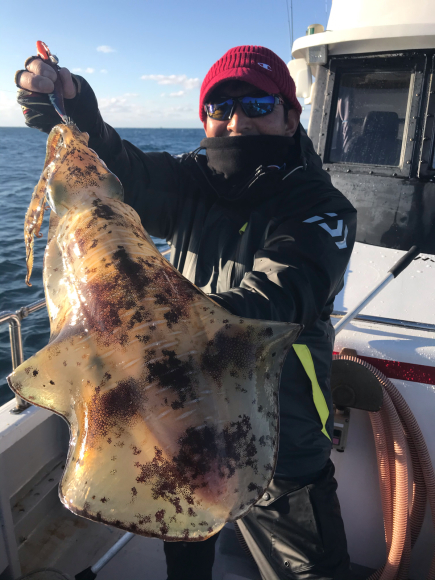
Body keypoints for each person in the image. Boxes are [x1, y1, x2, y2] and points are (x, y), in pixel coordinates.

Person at [15, 45, 357, 580]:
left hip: (282, 438)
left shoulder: (320, 205)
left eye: (258, 103)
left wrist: (154, 330)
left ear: (291, 116)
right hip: (173, 428)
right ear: (205, 120)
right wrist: (75, 109)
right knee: (186, 565)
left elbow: (282, 294)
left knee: (312, 573)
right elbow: (120, 170)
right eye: (221, 108)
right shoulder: (191, 182)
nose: (236, 119)